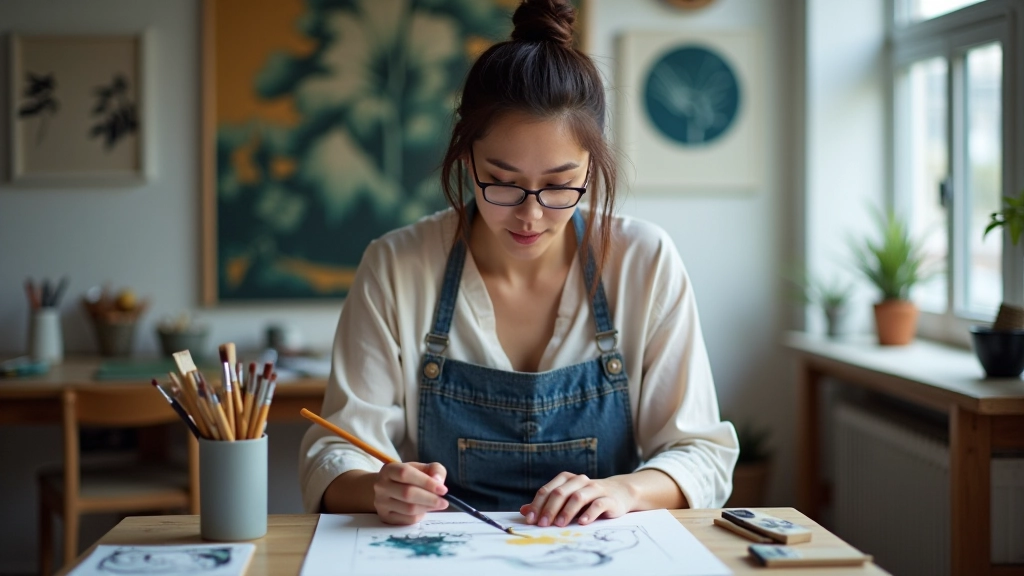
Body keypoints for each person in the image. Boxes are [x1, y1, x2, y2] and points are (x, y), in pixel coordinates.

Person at [299, 0, 738, 529]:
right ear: (467, 161)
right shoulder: (396, 265)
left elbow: (701, 454)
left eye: (558, 185)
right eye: (503, 182)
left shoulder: (644, 261)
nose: (530, 215)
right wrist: (378, 488)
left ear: (592, 167)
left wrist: (623, 491)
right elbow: (334, 452)